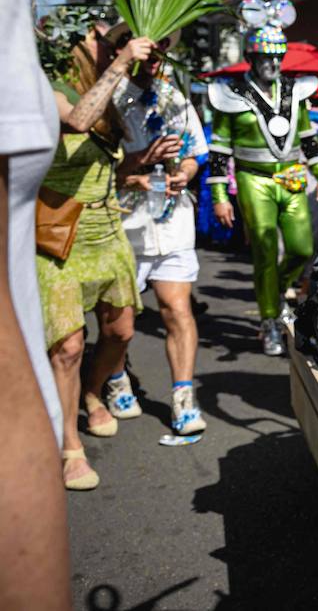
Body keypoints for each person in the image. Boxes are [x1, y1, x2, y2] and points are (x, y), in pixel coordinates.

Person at [0, 0, 71, 606]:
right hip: (70, 224)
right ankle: (83, 424)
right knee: (76, 339)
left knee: (108, 330)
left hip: (113, 212)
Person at [40, 12, 151, 489]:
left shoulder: (110, 95)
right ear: (77, 45)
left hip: (107, 233)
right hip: (59, 236)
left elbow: (111, 160)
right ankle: (70, 446)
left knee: (121, 332)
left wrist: (137, 171)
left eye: (119, 42)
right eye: (105, 42)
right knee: (65, 346)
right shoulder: (56, 89)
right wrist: (124, 61)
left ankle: (91, 392)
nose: (114, 47)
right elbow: (79, 120)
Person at [208, 0, 318, 356]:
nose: (273, 64)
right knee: (263, 248)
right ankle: (269, 320)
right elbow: (219, 151)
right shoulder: (229, 94)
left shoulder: (297, 91)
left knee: (302, 249)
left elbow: (308, 138)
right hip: (253, 177)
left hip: (293, 175)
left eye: (278, 57)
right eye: (266, 58)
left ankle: (274, 292)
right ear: (252, 57)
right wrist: (219, 197)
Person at [110, 37, 208, 434]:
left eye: (161, 51)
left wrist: (183, 172)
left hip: (171, 222)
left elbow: (192, 153)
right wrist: (140, 165)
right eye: (149, 50)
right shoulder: (111, 99)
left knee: (177, 309)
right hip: (125, 223)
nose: (155, 59)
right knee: (120, 322)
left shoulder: (175, 97)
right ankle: (115, 377)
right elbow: (99, 169)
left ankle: (183, 398)